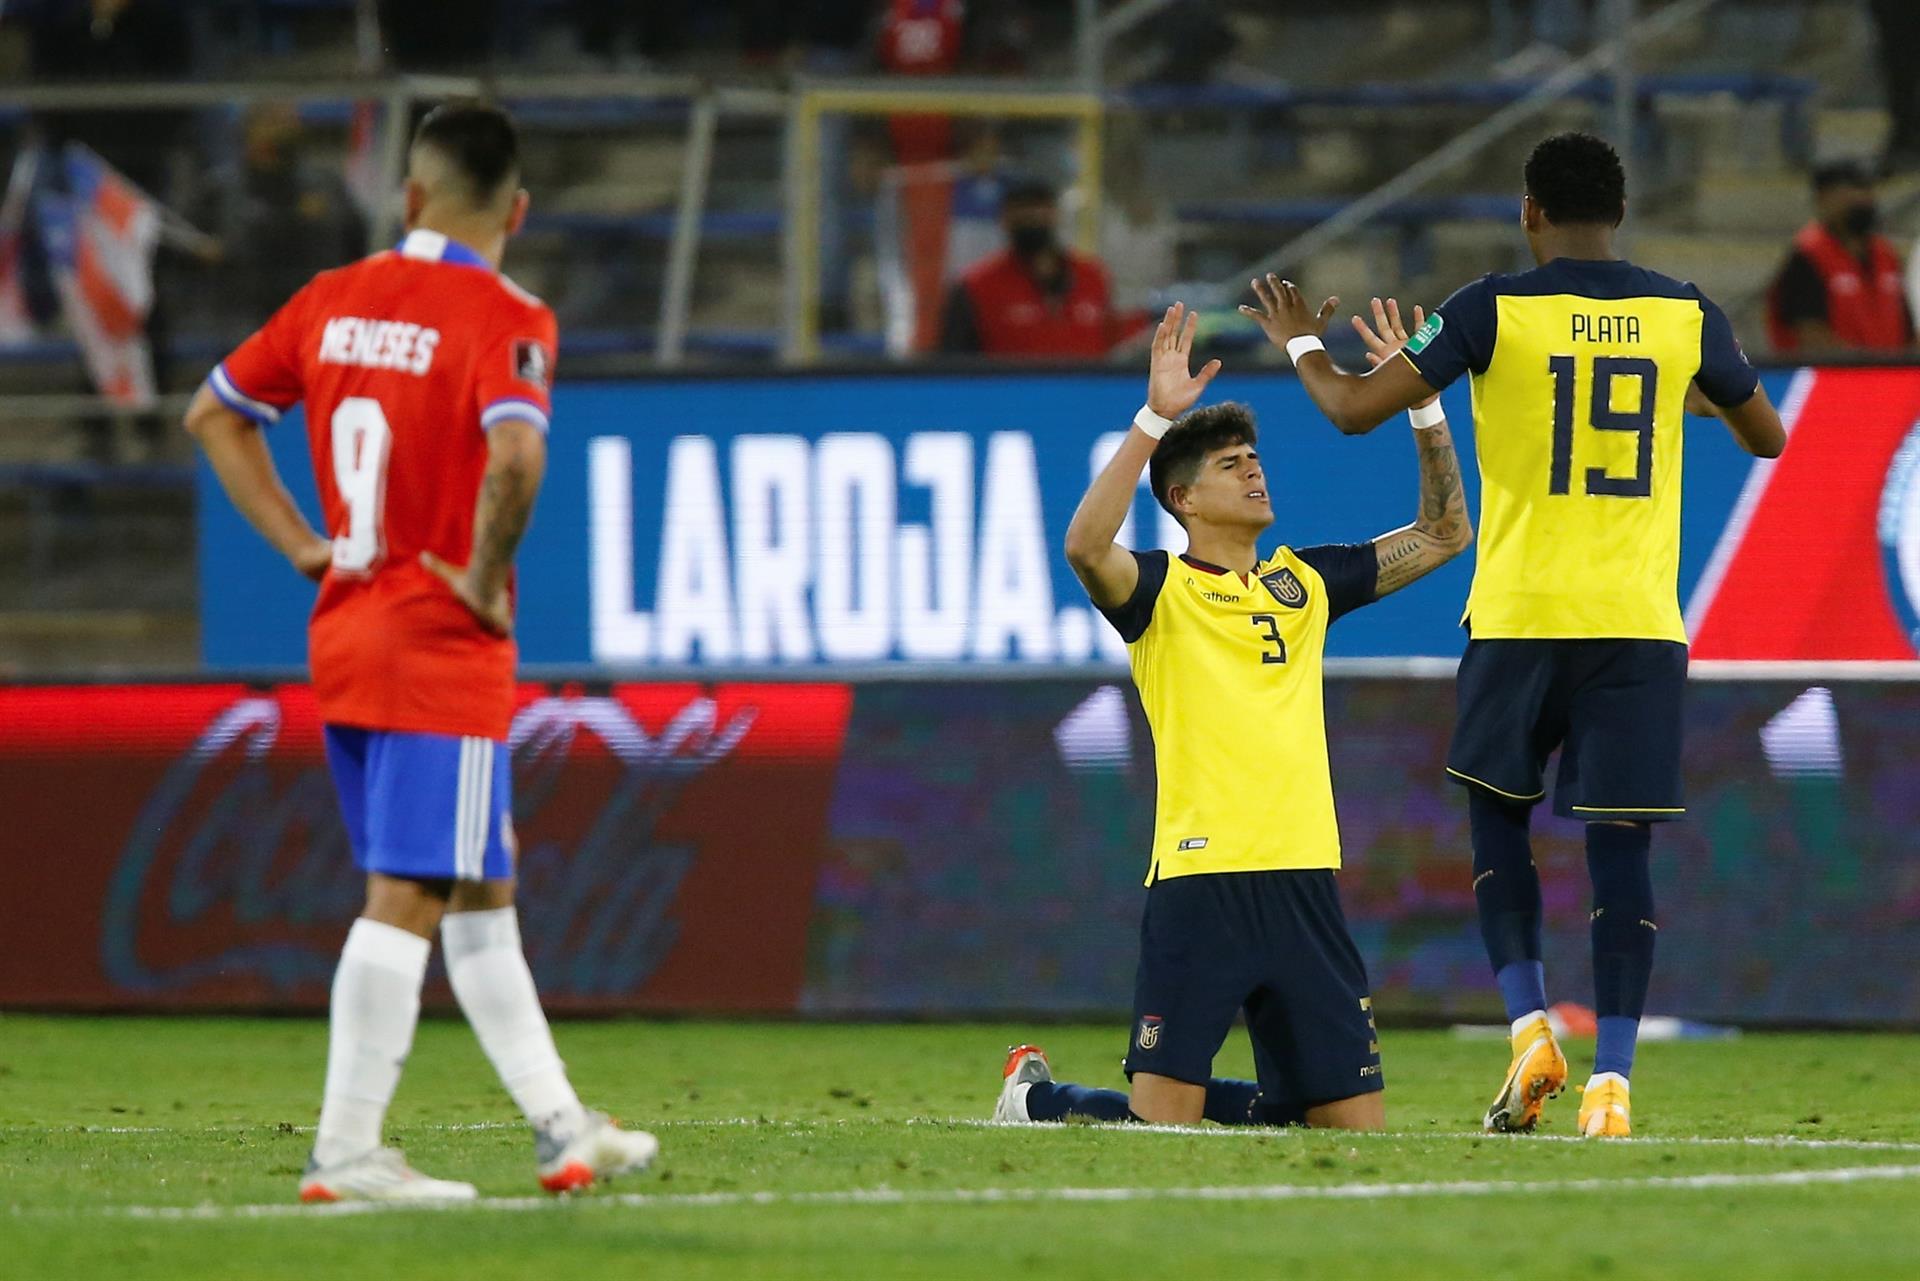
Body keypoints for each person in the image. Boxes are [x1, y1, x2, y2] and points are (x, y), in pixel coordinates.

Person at [1239, 131, 1786, 1138]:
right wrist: (1682, 393)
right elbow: (1769, 435)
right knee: (1622, 850)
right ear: (1619, 213)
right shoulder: (1684, 312)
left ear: (1529, 212)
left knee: (1499, 824)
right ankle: (1613, 1086)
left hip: (1522, 613)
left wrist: (1299, 342)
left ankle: (1531, 1025)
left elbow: (1354, 412)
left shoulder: (1491, 307)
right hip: (1637, 622)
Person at [184, 101, 656, 1203]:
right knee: (408, 892)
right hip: (438, 643)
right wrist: (485, 578)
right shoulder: (506, 315)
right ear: (519, 208)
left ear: (409, 196)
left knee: (481, 886)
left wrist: (303, 543)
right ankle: (346, 1151)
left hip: (346, 630)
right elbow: (520, 456)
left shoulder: (330, 300)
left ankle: (559, 1127)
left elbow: (214, 413)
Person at [993, 298, 1472, 1131]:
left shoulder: (1306, 585)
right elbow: (1082, 545)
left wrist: (1422, 398)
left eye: (1254, 456)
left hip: (1303, 878)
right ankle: (1037, 1101)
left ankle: (1255, 1106)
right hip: (1202, 881)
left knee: (1352, 1135)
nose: (1255, 471)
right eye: (1230, 463)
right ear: (1183, 498)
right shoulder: (1157, 592)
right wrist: (1153, 418)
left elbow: (1444, 532)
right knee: (1161, 1132)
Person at [938, 176, 1118, 358]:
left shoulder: (1092, 277)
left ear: (1054, 213)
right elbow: (951, 365)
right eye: (1021, 211)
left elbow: (1113, 341)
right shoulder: (975, 286)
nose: (1030, 218)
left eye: (1037, 209)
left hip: (1088, 385)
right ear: (1004, 219)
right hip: (1007, 385)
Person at [1766, 159, 1915, 355]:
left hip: (1891, 378)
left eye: (1866, 190)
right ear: (1823, 198)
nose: (1862, 199)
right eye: (1849, 191)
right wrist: (1866, 366)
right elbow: (1809, 333)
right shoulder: (1807, 255)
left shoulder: (1886, 255)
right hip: (1833, 377)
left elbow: (1907, 330)